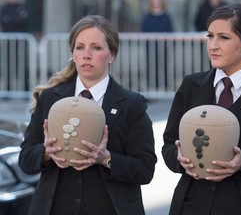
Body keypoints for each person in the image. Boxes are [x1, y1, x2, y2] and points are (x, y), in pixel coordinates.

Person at [18, 15, 157, 215]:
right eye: (80, 47)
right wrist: (46, 153)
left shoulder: (132, 104)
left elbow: (145, 169)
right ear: (73, 53)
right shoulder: (50, 99)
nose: (86, 55)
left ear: (112, 55)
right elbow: (25, 159)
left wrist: (106, 158)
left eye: (96, 48)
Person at [162, 3, 241, 215]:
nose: (213, 45)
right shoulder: (191, 85)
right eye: (210, 36)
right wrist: (180, 158)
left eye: (224, 37)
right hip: (194, 206)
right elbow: (168, 145)